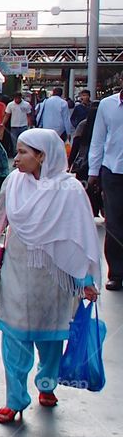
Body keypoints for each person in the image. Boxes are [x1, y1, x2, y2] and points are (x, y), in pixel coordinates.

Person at [0, 129, 101, 423]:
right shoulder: (13, 183)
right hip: (17, 271)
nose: (17, 159)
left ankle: (47, 384)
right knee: (13, 336)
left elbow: (80, 237)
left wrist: (87, 280)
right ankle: (15, 399)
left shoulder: (69, 190)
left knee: (51, 338)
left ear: (42, 156)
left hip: (55, 278)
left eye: (25, 152)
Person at [88, 89, 123, 291]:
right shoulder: (107, 105)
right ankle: (116, 273)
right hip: (113, 170)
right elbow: (98, 139)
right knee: (114, 223)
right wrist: (93, 171)